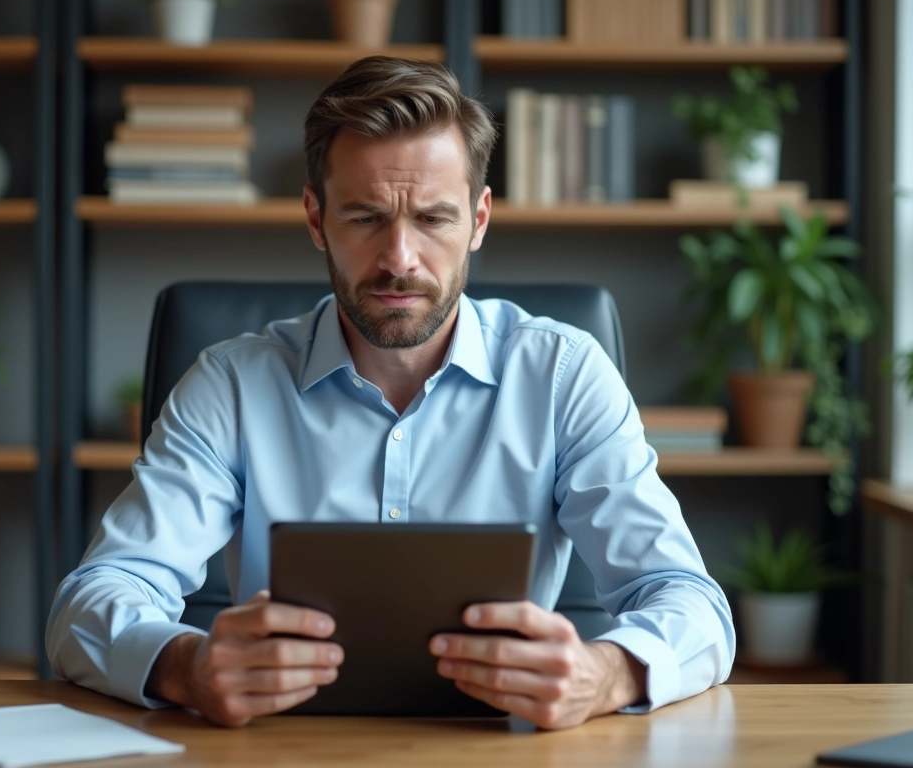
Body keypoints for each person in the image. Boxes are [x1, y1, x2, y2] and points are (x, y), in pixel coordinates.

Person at [47, 56, 735, 730]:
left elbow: (693, 605)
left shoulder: (563, 374)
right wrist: (184, 666)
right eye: (367, 216)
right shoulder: (230, 384)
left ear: (479, 220)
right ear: (316, 218)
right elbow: (90, 603)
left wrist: (605, 674)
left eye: (434, 219)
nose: (400, 259)